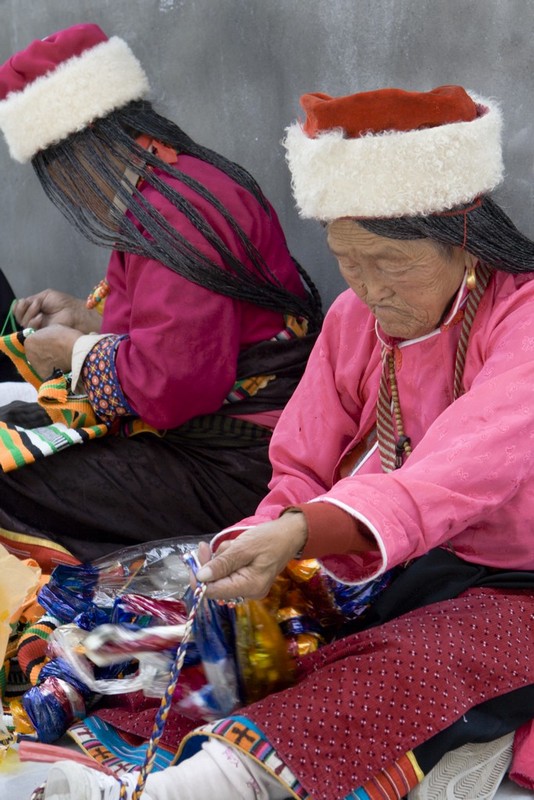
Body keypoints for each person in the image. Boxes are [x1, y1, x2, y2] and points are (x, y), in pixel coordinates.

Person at [42, 85, 534, 800]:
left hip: (514, 583)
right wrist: (264, 539)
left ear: (465, 242)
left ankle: (210, 784)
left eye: (389, 264)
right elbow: (300, 465)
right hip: (386, 557)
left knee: (418, 664)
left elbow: (465, 467)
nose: (368, 289)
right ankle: (126, 753)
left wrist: (306, 530)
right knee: (224, 631)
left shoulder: (523, 320)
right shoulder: (352, 320)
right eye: (347, 260)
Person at [0, 23, 321, 566]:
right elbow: (176, 337)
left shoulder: (174, 216)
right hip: (214, 445)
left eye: (59, 170)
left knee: (12, 477)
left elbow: (174, 384)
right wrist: (85, 319)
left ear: (82, 149)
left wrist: (73, 352)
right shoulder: (172, 185)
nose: (68, 190)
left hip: (236, 467)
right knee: (20, 430)